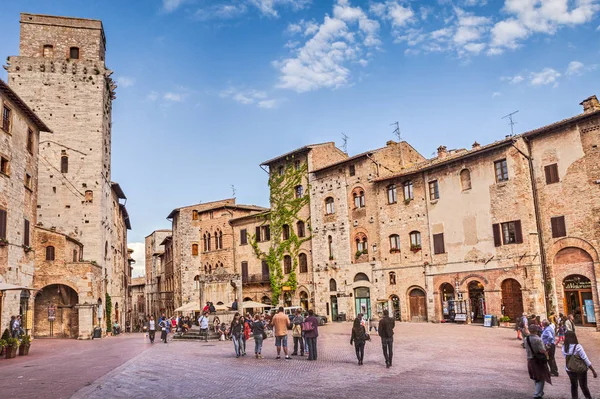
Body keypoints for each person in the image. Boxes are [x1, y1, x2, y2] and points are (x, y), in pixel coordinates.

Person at [562, 331, 597, 399]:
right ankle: (588, 397)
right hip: (580, 369)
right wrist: (593, 370)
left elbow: (566, 357)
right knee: (583, 386)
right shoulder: (578, 347)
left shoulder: (564, 347)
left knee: (574, 385)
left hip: (569, 369)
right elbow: (585, 359)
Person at [525, 325, 552, 399]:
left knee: (536, 377)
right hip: (538, 361)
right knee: (541, 377)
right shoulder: (538, 339)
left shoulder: (526, 339)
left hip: (530, 359)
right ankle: (537, 394)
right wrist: (547, 351)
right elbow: (542, 350)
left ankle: (539, 392)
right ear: (536, 331)